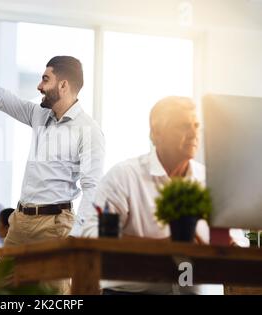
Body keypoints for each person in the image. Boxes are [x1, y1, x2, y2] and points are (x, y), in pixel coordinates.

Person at [0, 27, 105, 248]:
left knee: (52, 284)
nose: (39, 86)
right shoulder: (38, 114)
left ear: (63, 85)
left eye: (45, 79)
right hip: (21, 222)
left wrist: (76, 235)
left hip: (55, 225)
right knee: (2, 282)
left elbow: (92, 188)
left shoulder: (88, 130)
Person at [94, 96, 248, 295]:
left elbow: (236, 242)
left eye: (196, 125)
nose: (194, 134)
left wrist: (228, 247)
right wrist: (166, 247)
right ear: (156, 134)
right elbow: (97, 240)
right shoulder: (123, 176)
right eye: (183, 126)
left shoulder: (212, 182)